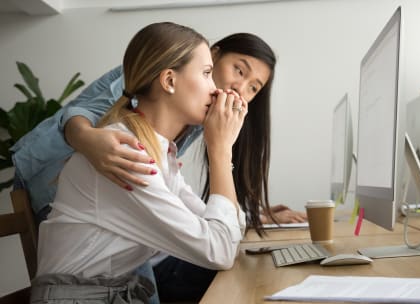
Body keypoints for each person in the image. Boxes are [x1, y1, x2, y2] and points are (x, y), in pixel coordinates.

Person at [31, 22, 247, 304]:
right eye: (207, 74)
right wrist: (220, 151)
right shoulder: (127, 153)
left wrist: (222, 151)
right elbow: (219, 251)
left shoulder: (160, 152)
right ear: (169, 81)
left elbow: (230, 232)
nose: (215, 89)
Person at [12, 34, 306, 229]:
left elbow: (174, 196)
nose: (239, 88)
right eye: (239, 71)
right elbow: (80, 112)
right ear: (213, 55)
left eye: (253, 87)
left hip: (110, 202)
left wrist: (251, 217)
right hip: (49, 179)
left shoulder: (196, 114)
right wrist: (88, 140)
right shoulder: (161, 70)